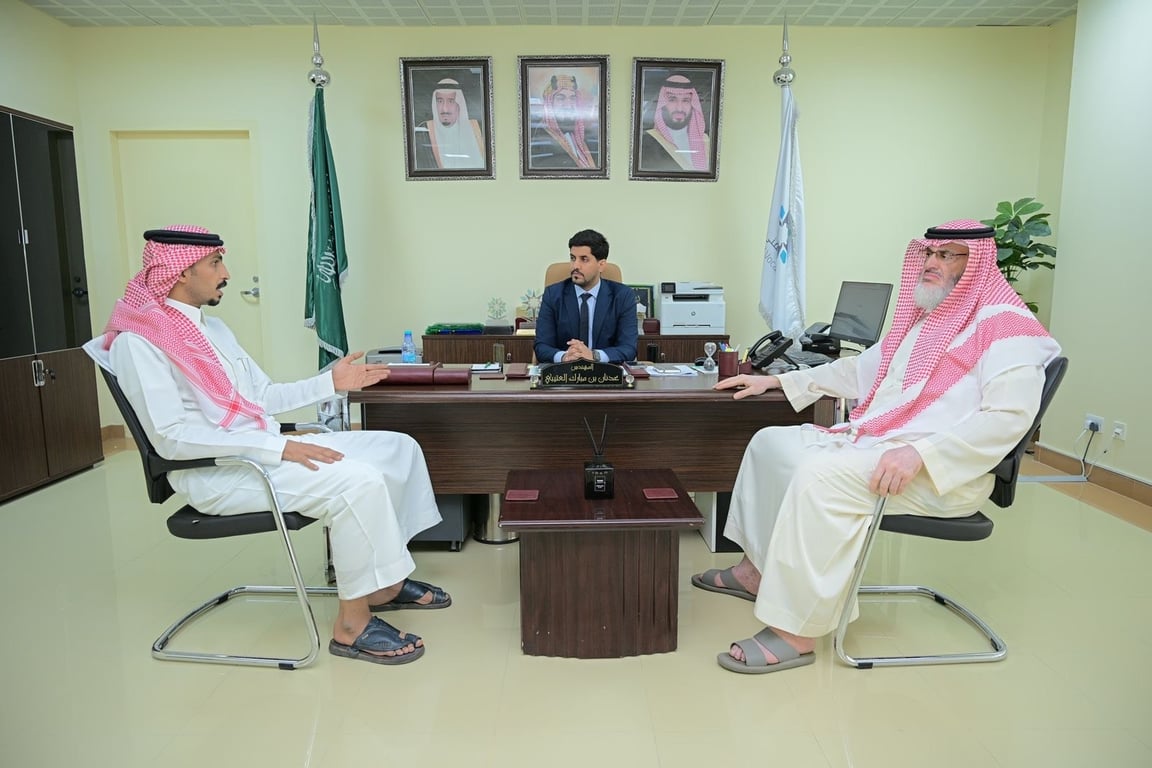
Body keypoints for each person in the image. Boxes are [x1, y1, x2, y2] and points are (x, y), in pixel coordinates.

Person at [695, 219, 1061, 674]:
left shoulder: (1009, 329)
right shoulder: (931, 318)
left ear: (978, 265)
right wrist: (776, 381)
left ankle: (797, 631)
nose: (931, 262)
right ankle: (755, 571)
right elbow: (859, 371)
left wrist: (921, 454)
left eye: (948, 255)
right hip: (887, 444)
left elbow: (1007, 419)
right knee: (770, 443)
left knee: (819, 478)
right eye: (930, 253)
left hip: (941, 472)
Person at [90, 225, 450, 666]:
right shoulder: (139, 342)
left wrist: (330, 382)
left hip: (260, 450)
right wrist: (275, 447)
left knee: (398, 448)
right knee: (357, 482)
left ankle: (383, 583)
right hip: (219, 472)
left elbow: (261, 397)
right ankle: (352, 627)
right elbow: (172, 438)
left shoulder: (213, 330)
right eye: (215, 263)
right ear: (181, 272)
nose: (226, 273)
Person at [533, 229, 637, 364]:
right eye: (573, 258)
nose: (575, 266)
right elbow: (541, 346)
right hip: (564, 372)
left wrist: (594, 355)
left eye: (584, 259)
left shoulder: (623, 296)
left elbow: (629, 348)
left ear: (601, 265)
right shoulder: (552, 295)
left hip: (606, 372)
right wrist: (564, 356)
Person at [639, 73, 710, 173]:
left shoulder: (706, 142)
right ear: (663, 103)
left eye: (686, 100)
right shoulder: (647, 141)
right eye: (672, 100)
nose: (679, 108)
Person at [413, 78, 485, 170]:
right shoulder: (423, 131)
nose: (445, 109)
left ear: (459, 104)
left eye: (451, 101)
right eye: (440, 101)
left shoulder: (478, 129)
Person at [529, 73, 598, 170]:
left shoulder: (586, 136)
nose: (568, 105)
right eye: (561, 98)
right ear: (550, 103)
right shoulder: (538, 137)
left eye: (572, 98)